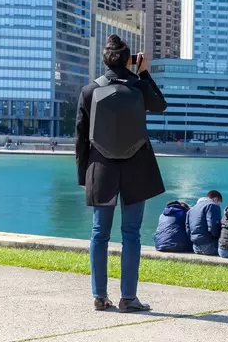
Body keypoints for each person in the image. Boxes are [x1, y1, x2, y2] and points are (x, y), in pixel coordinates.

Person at [75, 35, 167, 313]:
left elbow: (80, 138)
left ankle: (100, 296)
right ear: (130, 59)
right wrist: (144, 72)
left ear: (104, 60)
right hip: (136, 168)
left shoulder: (89, 91)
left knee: (98, 233)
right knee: (131, 234)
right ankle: (128, 298)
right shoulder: (139, 87)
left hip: (100, 168)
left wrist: (83, 177)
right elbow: (160, 105)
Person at [186, 190, 223, 256]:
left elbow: (188, 229)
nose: (219, 205)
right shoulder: (212, 206)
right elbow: (213, 227)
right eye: (219, 203)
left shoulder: (191, 209)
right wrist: (220, 237)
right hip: (210, 247)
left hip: (195, 247)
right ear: (216, 199)